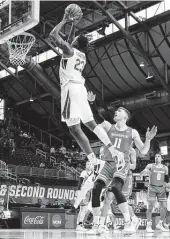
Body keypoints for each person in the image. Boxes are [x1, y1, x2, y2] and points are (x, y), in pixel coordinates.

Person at [49, 10, 125, 165]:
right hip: (80, 89)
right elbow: (70, 39)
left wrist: (64, 20)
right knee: (91, 124)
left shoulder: (69, 51)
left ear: (76, 43)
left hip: (70, 89)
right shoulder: (79, 54)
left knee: (74, 129)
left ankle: (93, 159)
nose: (72, 39)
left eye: (75, 39)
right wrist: (73, 25)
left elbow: (53, 35)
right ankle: (112, 150)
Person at [86, 91, 157, 235]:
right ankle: (98, 224)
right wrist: (92, 103)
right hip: (108, 164)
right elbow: (96, 117)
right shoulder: (108, 126)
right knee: (96, 188)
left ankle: (129, 222)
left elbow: (143, 151)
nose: (115, 113)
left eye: (118, 111)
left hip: (121, 164)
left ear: (125, 117)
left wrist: (148, 140)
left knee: (115, 189)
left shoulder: (133, 132)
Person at [100, 148, 140, 233]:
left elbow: (134, 166)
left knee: (123, 201)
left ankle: (133, 219)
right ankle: (102, 224)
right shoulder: (114, 147)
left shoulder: (131, 150)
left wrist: (126, 165)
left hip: (126, 176)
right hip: (115, 175)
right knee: (108, 199)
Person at [140, 153, 169, 232]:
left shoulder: (165, 168)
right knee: (150, 207)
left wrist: (167, 186)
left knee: (165, 208)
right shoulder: (150, 166)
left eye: (158, 156)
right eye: (155, 156)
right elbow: (141, 174)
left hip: (161, 189)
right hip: (152, 188)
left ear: (161, 159)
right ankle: (148, 225)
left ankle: (160, 224)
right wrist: (144, 171)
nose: (157, 157)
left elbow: (166, 180)